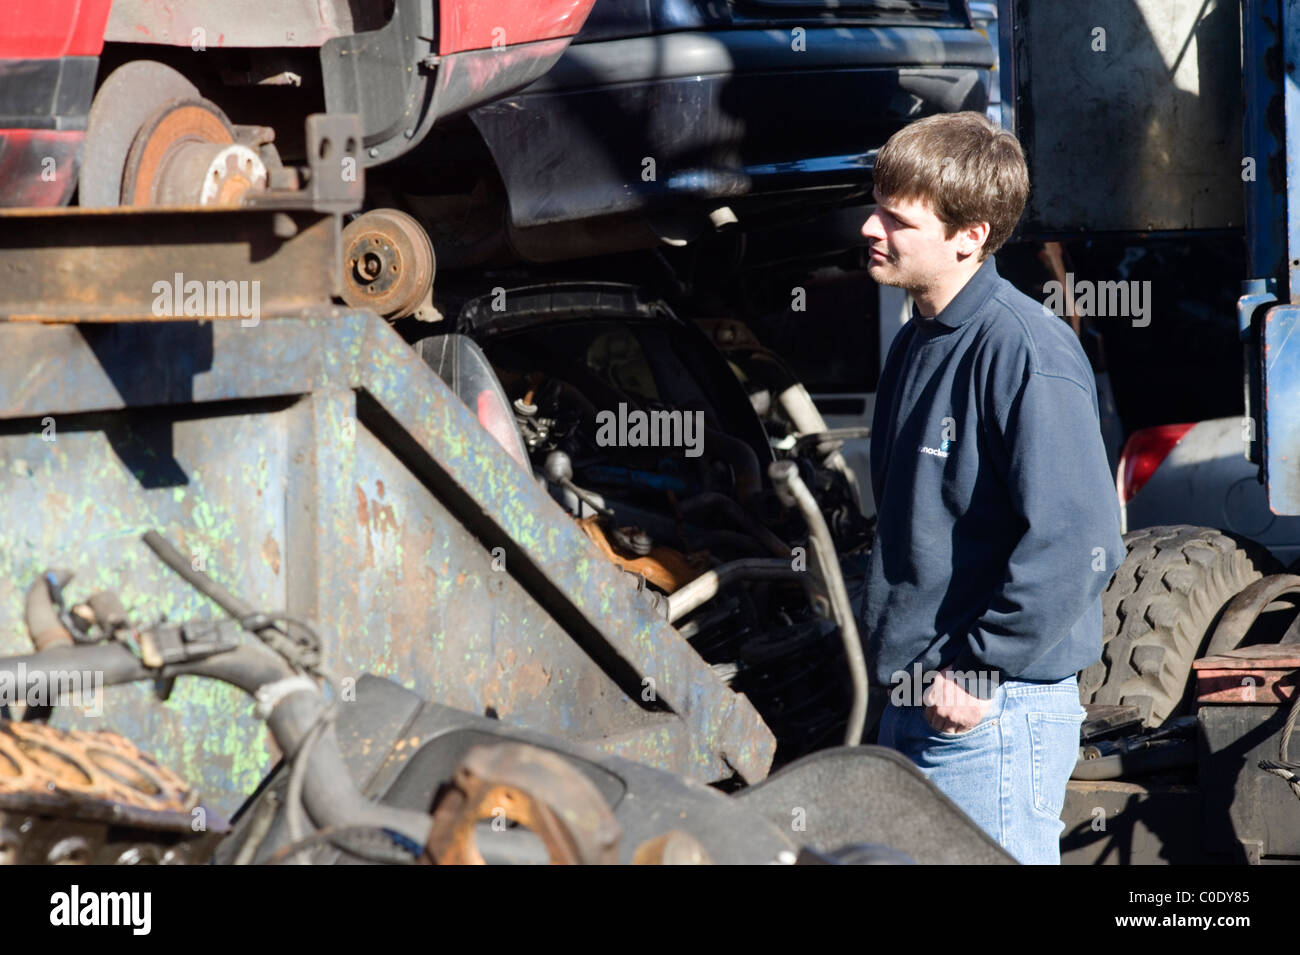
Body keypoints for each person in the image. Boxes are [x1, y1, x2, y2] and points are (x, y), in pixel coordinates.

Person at [858, 111, 1125, 864]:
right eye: (875, 205)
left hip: (988, 715)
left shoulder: (1025, 350)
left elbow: (1083, 540)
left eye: (897, 219)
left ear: (969, 235)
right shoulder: (917, 342)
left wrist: (980, 665)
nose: (871, 229)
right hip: (918, 708)